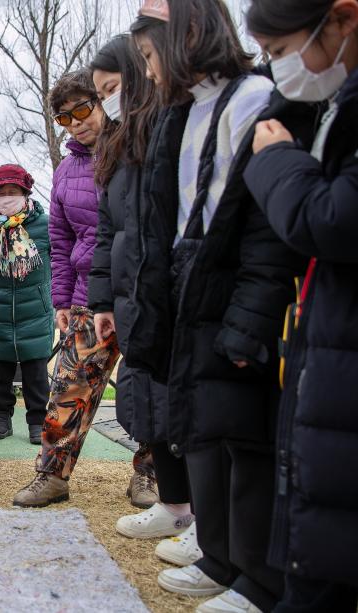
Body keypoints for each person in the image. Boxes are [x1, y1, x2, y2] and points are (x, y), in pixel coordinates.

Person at [128, 1, 312, 610]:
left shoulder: (251, 99)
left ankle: (257, 577)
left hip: (233, 280)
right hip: (189, 276)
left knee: (244, 432)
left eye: (152, 57)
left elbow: (263, 229)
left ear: (187, 36)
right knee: (201, 424)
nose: (149, 73)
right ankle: (221, 554)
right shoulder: (181, 112)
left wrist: (250, 319)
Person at [244, 1, 358, 610]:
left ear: (342, 20)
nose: (278, 70)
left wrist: (276, 158)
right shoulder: (333, 100)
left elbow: (333, 219)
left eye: (283, 52)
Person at [88, 34, 200, 557]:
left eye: (112, 88)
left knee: (185, 403)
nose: (108, 100)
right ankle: (174, 504)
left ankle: (203, 517)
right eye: (101, 92)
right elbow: (110, 232)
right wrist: (103, 301)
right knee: (146, 400)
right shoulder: (115, 147)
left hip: (170, 286)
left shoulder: (172, 127)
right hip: (132, 293)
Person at [11, 70, 119, 507]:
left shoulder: (138, 148)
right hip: (85, 296)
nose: (75, 123)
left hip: (136, 288)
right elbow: (60, 239)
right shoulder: (65, 169)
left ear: (102, 102)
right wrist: (62, 298)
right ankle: (52, 475)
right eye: (63, 117)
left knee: (148, 390)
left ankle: (152, 474)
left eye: (83, 109)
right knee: (69, 390)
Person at [0, 164, 53, 446]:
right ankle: (1, 419)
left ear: (25, 193)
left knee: (36, 372)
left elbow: (59, 257)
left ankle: (36, 421)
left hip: (37, 309)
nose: (6, 197)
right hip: (0, 307)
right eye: (1, 193)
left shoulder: (45, 225)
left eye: (12, 191)